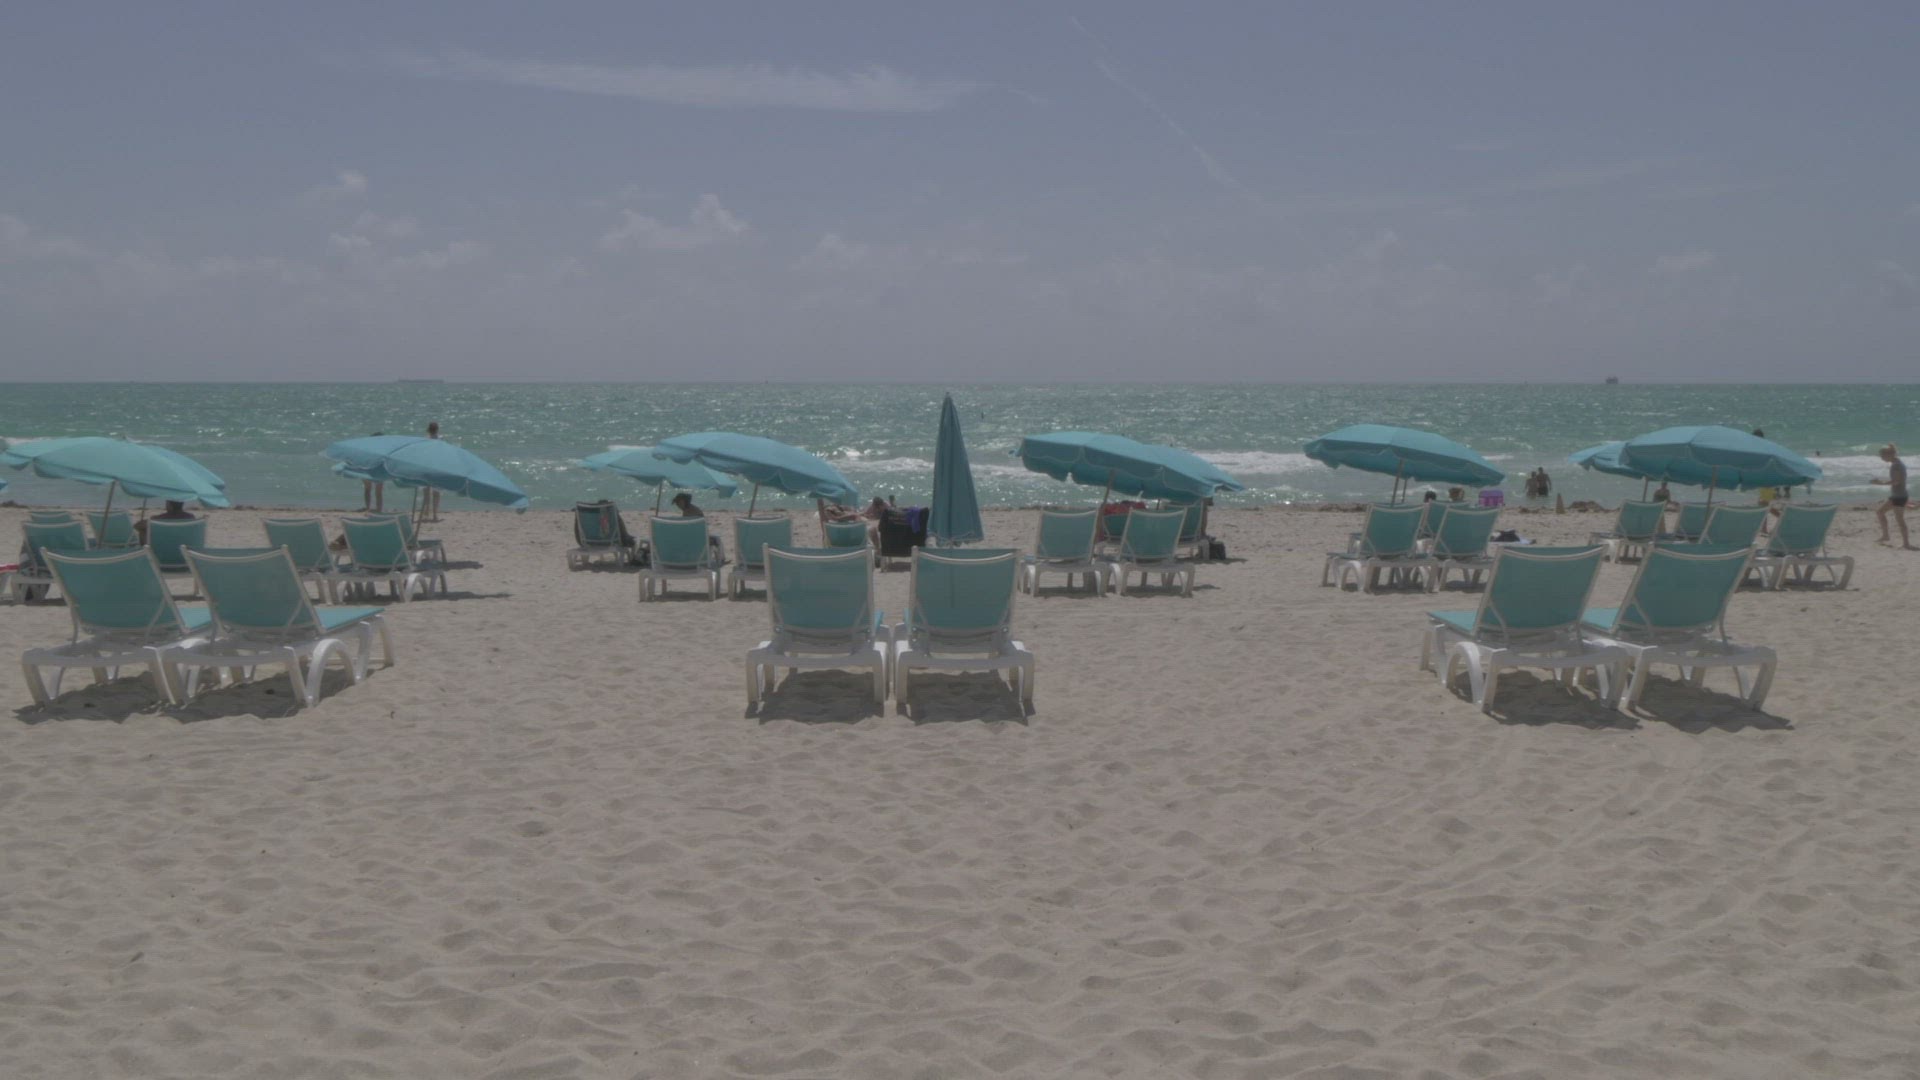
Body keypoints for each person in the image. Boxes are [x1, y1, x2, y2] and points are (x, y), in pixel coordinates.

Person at [1873, 443, 1912, 549]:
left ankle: (1906, 544)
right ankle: (1886, 536)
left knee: (1900, 519)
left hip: (1899, 496)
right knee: (1880, 512)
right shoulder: (1897, 463)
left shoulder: (1896, 466)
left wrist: (1879, 483)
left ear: (1889, 455)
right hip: (1897, 495)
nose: (1881, 458)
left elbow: (1896, 481)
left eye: (1882, 456)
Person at [132, 500, 197, 543]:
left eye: (167, 503)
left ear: (170, 505)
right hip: (185, 551)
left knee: (143, 530)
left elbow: (137, 526)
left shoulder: (159, 519)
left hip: (161, 552)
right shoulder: (191, 518)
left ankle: (144, 552)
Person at [422, 421, 442, 522]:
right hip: (437, 467)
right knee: (436, 492)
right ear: (437, 429)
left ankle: (426, 511)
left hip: (426, 466)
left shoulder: (425, 440)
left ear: (428, 430)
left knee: (426, 492)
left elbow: (423, 454)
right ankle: (435, 514)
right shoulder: (440, 440)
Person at [362, 431, 385, 512]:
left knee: (368, 489)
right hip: (378, 469)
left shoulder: (367, 447)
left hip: (367, 468)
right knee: (378, 491)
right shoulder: (383, 448)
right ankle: (379, 509)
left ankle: (368, 508)